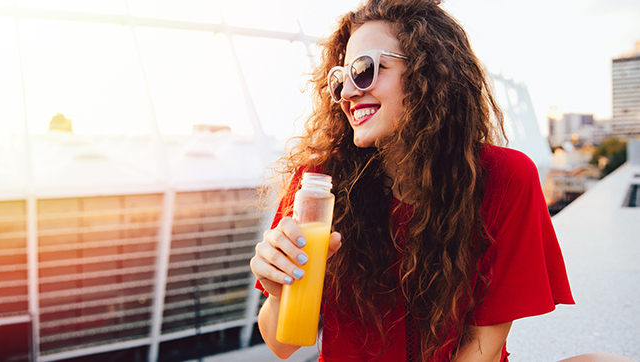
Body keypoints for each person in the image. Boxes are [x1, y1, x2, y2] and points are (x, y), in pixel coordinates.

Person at [250, 0, 634, 361]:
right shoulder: (317, 185)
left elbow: (484, 344)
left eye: (364, 70)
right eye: (339, 80)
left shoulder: (503, 178)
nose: (347, 93)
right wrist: (280, 287)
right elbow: (282, 344)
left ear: (426, 72)